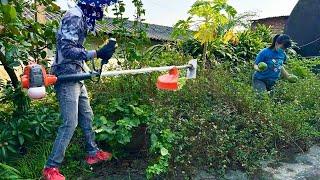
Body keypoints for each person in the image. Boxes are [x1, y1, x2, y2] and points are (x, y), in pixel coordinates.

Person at [42, 0, 118, 179]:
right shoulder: (75, 16)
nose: (102, 9)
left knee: (87, 115)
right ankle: (50, 168)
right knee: (70, 123)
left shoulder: (81, 15)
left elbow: (75, 48)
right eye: (102, 4)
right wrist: (97, 53)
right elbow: (67, 50)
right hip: (66, 74)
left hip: (77, 72)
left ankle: (93, 153)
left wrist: (92, 59)